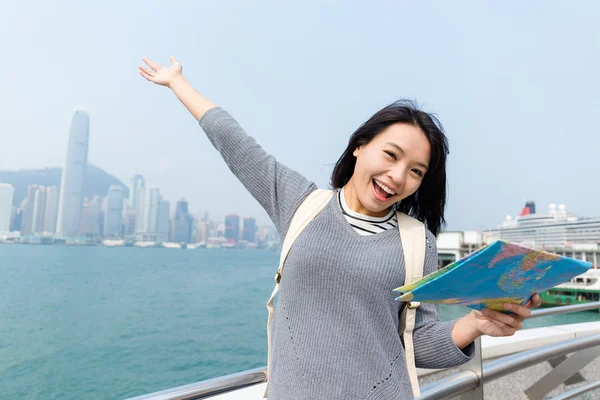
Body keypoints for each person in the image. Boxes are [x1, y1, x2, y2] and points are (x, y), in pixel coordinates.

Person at [139, 56, 542, 400]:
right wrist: (177, 82)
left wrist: (476, 325)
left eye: (416, 171)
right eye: (390, 154)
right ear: (359, 146)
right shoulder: (300, 202)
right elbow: (234, 141)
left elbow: (416, 342)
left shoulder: (419, 241)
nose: (397, 176)